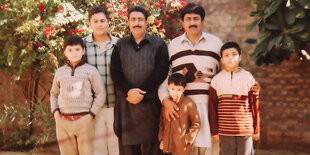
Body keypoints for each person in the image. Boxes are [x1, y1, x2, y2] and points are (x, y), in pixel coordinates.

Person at [158, 3, 223, 155]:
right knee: (185, 149)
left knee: (210, 151)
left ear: (202, 21)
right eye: (188, 19)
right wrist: (165, 100)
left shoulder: (216, 44)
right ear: (183, 22)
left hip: (209, 107)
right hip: (183, 109)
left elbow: (222, 75)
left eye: (196, 19)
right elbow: (164, 76)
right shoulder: (173, 46)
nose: (192, 22)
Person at [110, 6, 170, 155]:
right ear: (128, 22)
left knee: (153, 149)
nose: (137, 23)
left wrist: (141, 92)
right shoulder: (120, 45)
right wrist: (129, 92)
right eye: (133, 19)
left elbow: (161, 72)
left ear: (146, 22)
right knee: (128, 151)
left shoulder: (158, 44)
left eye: (140, 19)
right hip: (127, 106)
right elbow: (115, 72)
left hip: (151, 106)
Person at [50, 35, 105, 155]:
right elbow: (53, 94)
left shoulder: (91, 71)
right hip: (63, 122)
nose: (74, 53)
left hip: (84, 120)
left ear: (83, 51)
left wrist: (91, 115)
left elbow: (101, 94)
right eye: (70, 50)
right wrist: (55, 113)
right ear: (65, 52)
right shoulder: (60, 72)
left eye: (77, 49)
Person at [208, 42, 260, 155]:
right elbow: (212, 107)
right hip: (225, 130)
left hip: (245, 129)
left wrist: (256, 129)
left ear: (240, 57)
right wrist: (214, 131)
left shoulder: (248, 77)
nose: (230, 58)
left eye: (234, 54)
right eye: (226, 55)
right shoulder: (216, 80)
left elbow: (254, 104)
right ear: (221, 59)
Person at [83, 6, 119, 155]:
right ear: (90, 23)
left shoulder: (119, 44)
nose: (99, 24)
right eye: (95, 21)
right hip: (93, 107)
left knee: (116, 146)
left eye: (102, 20)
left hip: (115, 104)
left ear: (108, 22)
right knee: (97, 149)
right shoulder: (82, 45)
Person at [159, 73, 201, 155]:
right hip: (167, 147)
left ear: (184, 89)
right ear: (168, 87)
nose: (175, 92)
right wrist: (161, 139)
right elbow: (161, 123)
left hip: (182, 148)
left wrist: (188, 138)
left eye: (178, 89)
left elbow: (196, 122)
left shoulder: (188, 104)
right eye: (172, 89)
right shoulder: (166, 105)